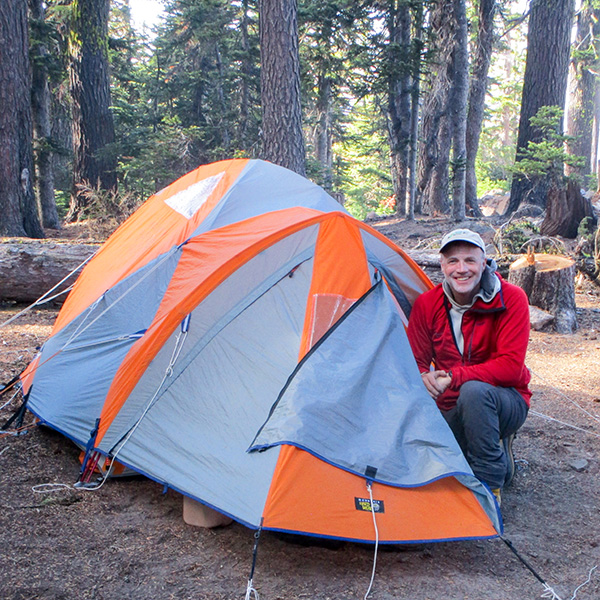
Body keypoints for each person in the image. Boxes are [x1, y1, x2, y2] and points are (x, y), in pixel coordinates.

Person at [406, 228, 531, 505]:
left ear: (484, 263)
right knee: (435, 462)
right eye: (453, 261)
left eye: (470, 261)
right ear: (442, 265)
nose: (461, 269)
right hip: (449, 405)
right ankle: (496, 453)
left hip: (505, 401)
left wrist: (453, 376)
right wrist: (422, 377)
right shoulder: (428, 304)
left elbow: (510, 367)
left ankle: (490, 488)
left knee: (474, 393)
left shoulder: (511, 298)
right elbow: (414, 360)